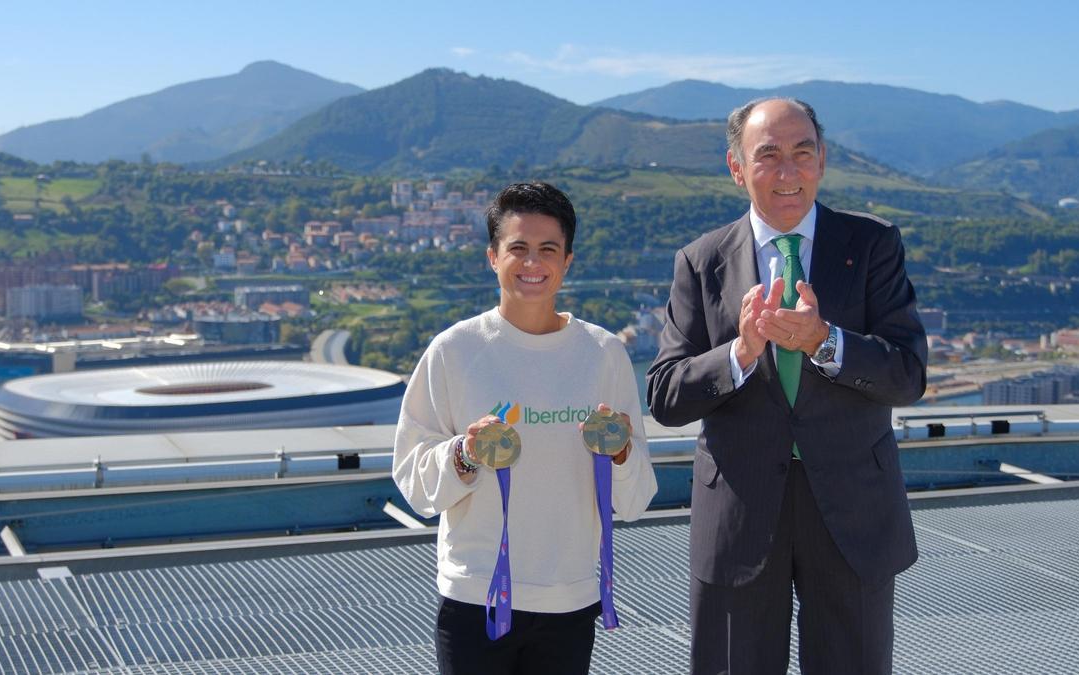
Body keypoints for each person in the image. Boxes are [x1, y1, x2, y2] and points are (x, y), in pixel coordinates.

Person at [647, 98, 928, 674]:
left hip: (852, 509)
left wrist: (825, 342)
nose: (788, 172)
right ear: (736, 167)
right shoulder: (700, 263)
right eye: (768, 155)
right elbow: (665, 396)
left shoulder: (872, 245)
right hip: (739, 513)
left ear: (822, 161)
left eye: (802, 153)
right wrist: (740, 353)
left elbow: (908, 374)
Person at [393, 182, 658, 674]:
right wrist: (465, 453)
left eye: (547, 250)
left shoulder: (603, 355)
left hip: (570, 600)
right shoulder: (453, 351)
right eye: (518, 248)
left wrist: (620, 454)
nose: (532, 263)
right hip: (476, 597)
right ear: (492, 257)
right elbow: (414, 483)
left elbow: (636, 499)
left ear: (568, 261)